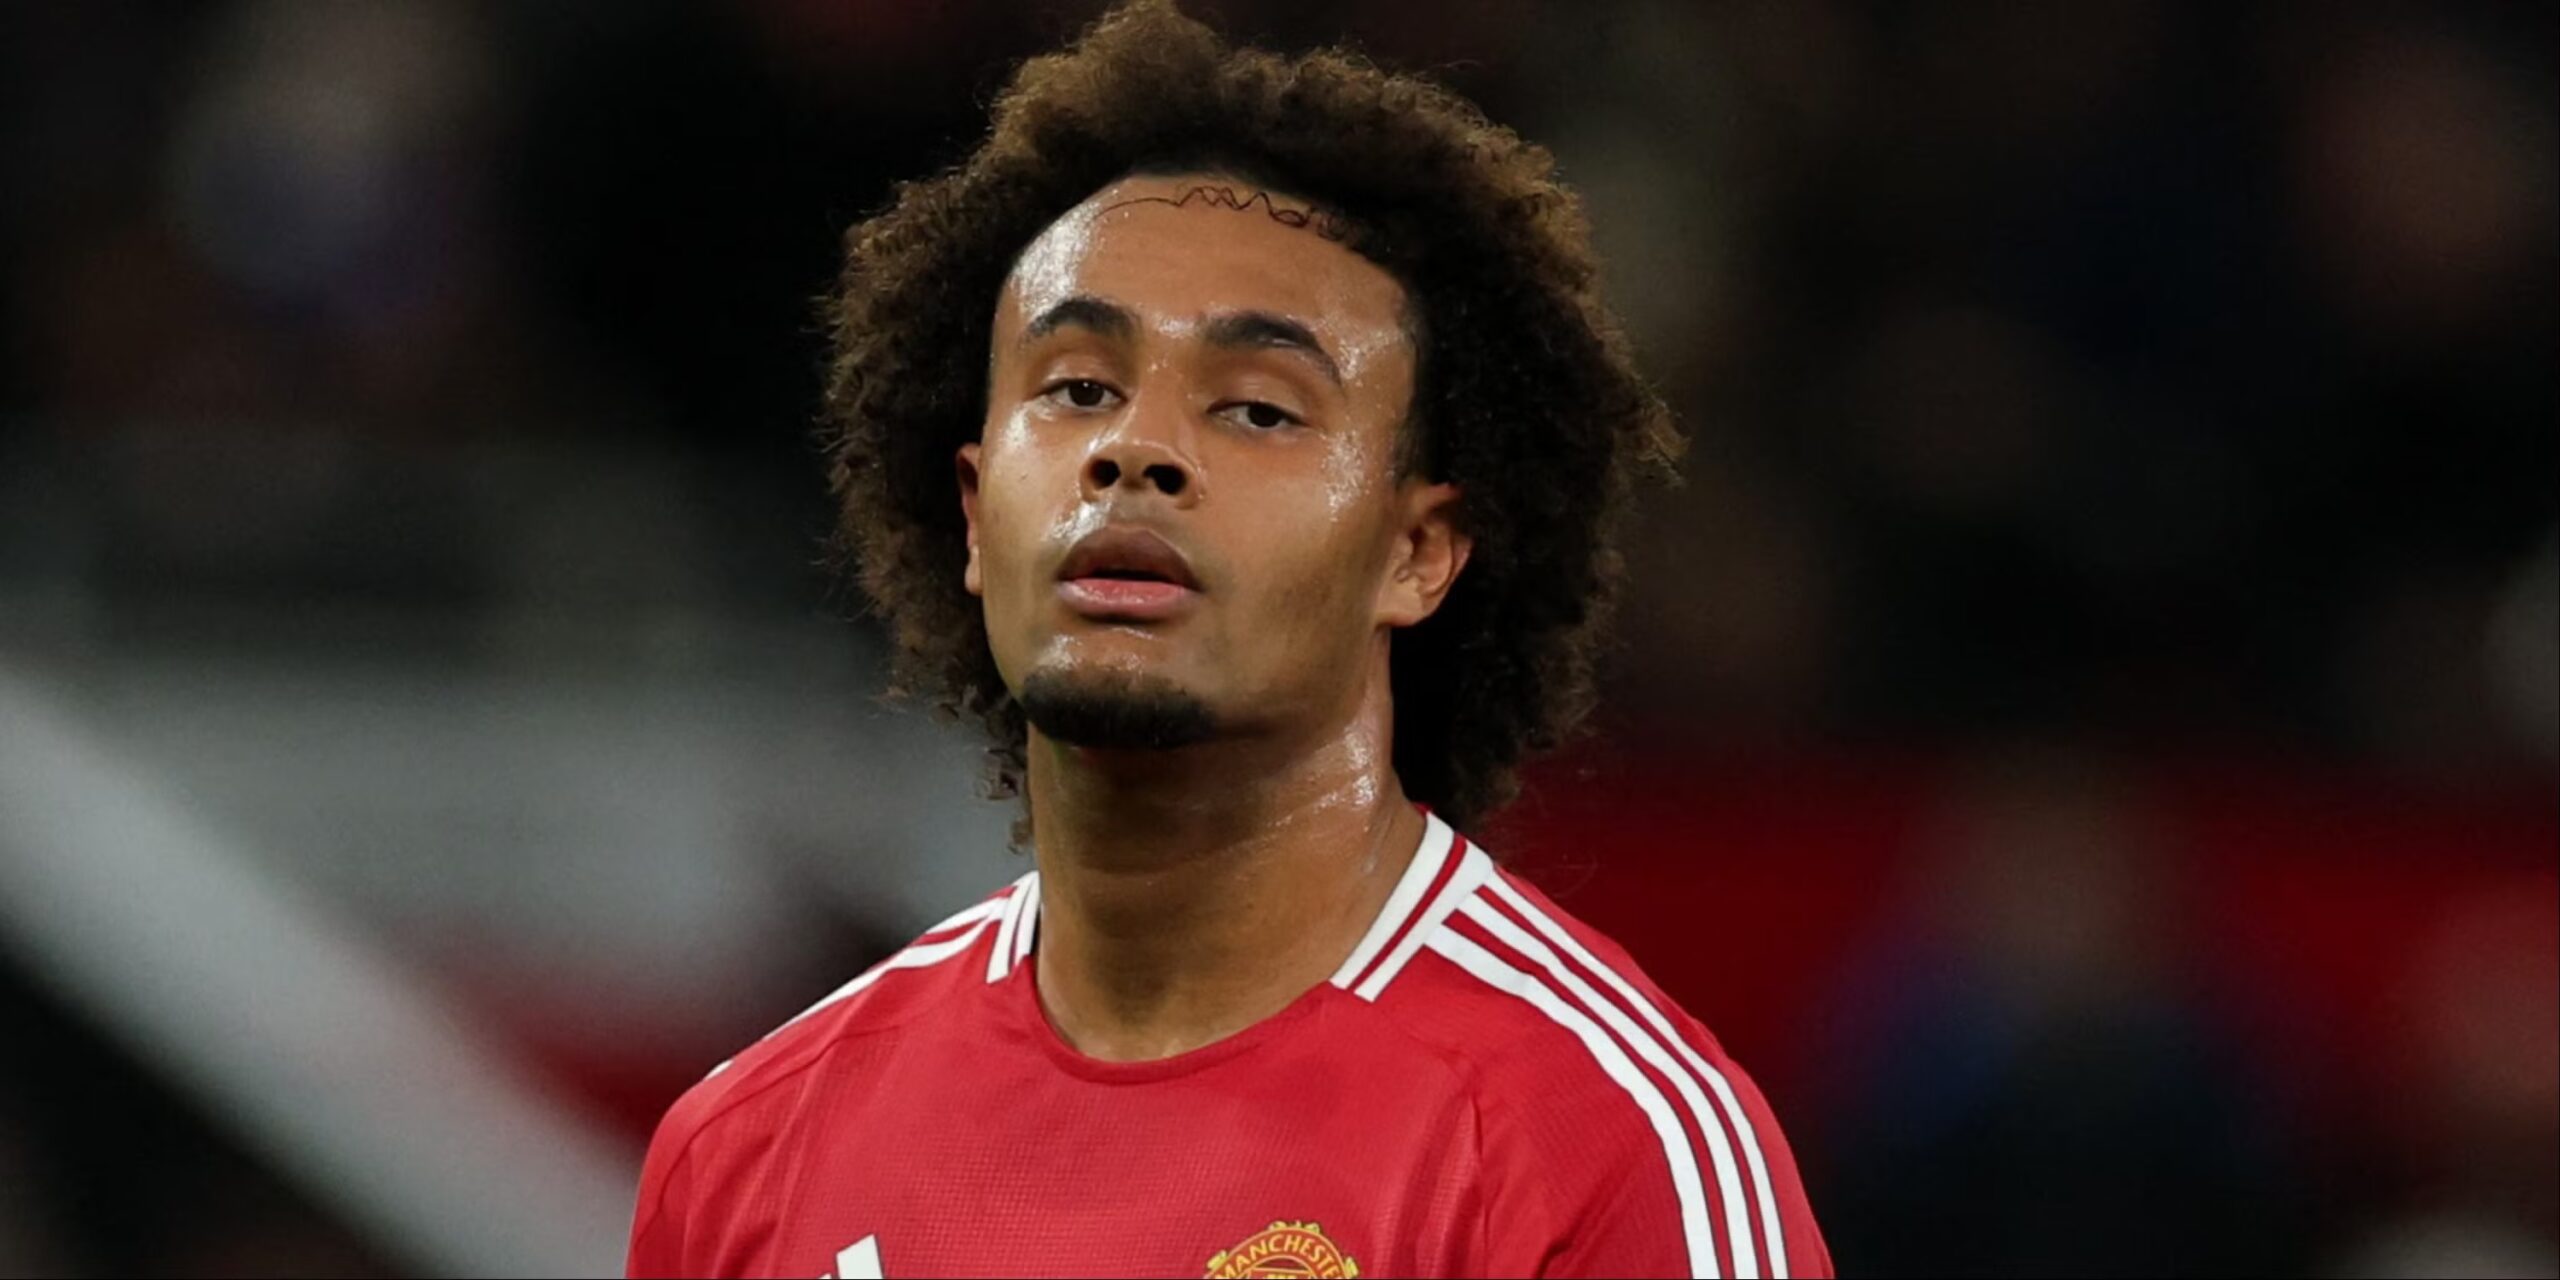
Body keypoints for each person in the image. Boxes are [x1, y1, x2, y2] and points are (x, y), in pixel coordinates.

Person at [627, 3, 1830, 1275]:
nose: (1133, 448)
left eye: (1257, 408)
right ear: (975, 514)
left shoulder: (1598, 1138)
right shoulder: (749, 1148)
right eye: (1077, 386)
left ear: (1417, 552)